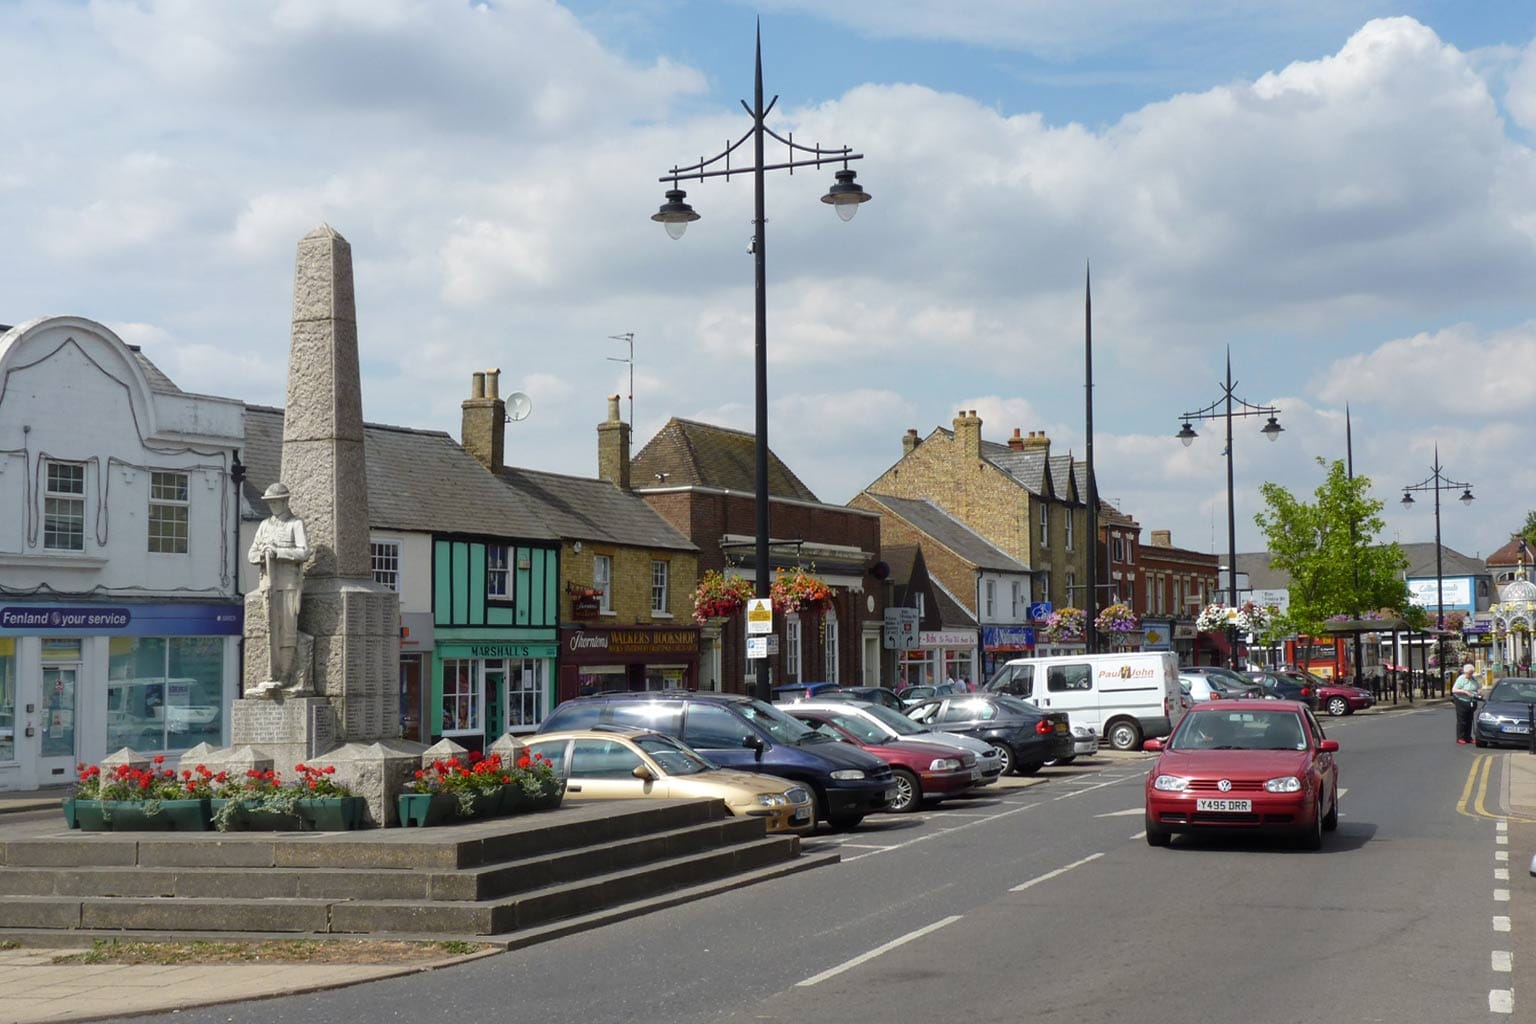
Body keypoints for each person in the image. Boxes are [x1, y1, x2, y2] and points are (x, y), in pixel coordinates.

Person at [247, 482, 311, 694]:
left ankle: (285, 674)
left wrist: (278, 552)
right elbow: (251, 555)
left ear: (285, 501)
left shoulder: (295, 524)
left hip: (288, 584)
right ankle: (271, 672)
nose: (273, 506)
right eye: (270, 502)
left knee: (287, 630)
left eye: (276, 502)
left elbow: (303, 552)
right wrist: (263, 553)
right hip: (268, 585)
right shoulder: (264, 525)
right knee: (270, 629)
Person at [1451, 662, 1481, 744]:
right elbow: (1454, 690)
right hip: (1461, 701)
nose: (1470, 675)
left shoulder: (1474, 679)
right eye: (1469, 673)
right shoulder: (1461, 679)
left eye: (1472, 673)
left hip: (1471, 701)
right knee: (1462, 720)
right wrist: (1464, 692)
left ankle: (1468, 737)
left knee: (1469, 719)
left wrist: (1478, 692)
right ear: (1465, 672)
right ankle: (1460, 737)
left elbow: (1478, 687)